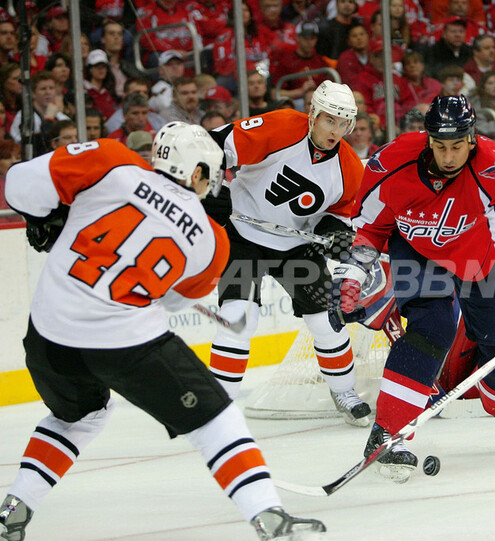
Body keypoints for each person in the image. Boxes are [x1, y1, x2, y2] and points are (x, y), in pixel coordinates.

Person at [0, 123, 325, 541]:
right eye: (210, 176)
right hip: (125, 344)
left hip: (48, 336)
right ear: (196, 172)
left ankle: (13, 510)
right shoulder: (212, 240)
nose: (211, 186)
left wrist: (50, 216)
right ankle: (268, 516)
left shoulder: (111, 160)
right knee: (216, 419)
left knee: (79, 416)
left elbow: (18, 185)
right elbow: (170, 301)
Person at [329, 94, 495, 481]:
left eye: (457, 147)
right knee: (430, 329)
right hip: (417, 252)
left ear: (472, 138)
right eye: (440, 147)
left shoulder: (494, 168)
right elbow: (370, 225)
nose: (449, 157)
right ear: (428, 139)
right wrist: (353, 273)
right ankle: (388, 434)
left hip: (478, 259)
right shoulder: (391, 162)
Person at [202, 80, 371, 426]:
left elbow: (338, 215)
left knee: (326, 321)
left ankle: (344, 391)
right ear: (313, 114)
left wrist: (335, 233)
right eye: (329, 120)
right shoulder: (281, 126)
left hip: (296, 246)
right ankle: (218, 406)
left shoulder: (350, 167)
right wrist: (208, 187)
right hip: (243, 235)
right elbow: (215, 146)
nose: (335, 131)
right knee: (238, 316)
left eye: (343, 123)